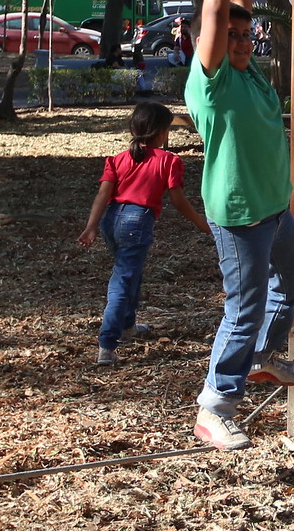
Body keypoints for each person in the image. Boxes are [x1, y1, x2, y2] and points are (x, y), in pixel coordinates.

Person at [186, 0, 294, 451]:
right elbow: (216, 12)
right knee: (244, 307)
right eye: (229, 36)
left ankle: (261, 356)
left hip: (274, 209)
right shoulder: (210, 84)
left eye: (244, 35)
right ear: (205, 45)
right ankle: (215, 405)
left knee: (292, 285)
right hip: (239, 215)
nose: (239, 39)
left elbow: (240, 6)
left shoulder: (248, 69)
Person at [76, 101, 211, 364]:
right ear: (161, 132)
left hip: (111, 221)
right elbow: (178, 200)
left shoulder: (118, 160)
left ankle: (128, 325)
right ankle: (107, 344)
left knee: (130, 274)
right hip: (137, 222)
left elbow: (103, 195)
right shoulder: (168, 161)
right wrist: (199, 221)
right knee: (123, 281)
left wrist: (91, 227)